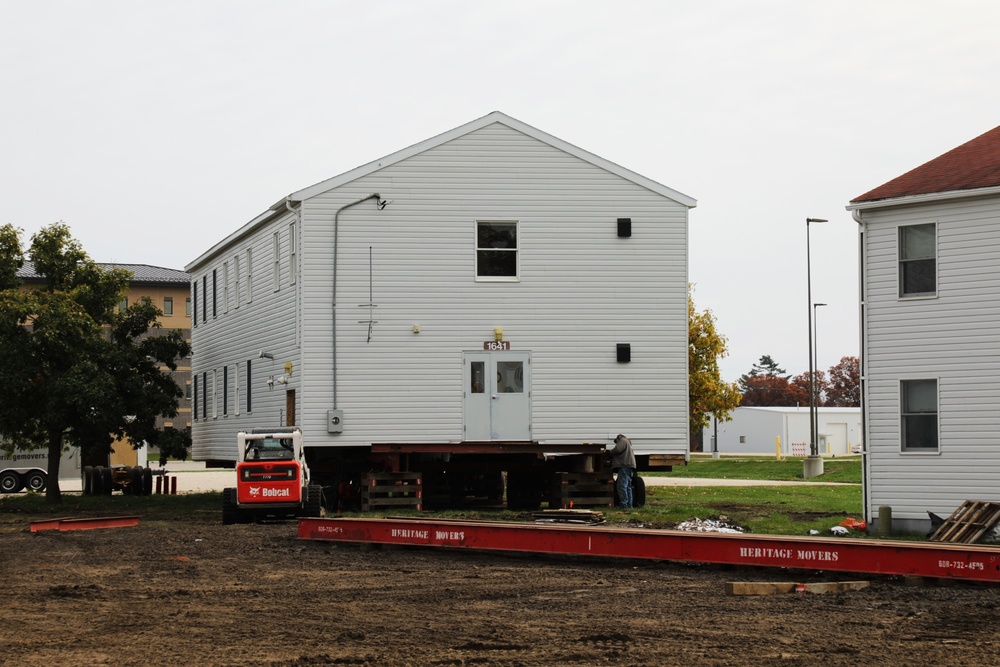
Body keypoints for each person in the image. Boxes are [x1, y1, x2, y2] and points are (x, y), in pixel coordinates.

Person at [609, 434, 636, 509]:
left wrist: (609, 452)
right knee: (628, 487)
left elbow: (618, 449)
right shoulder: (627, 442)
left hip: (624, 465)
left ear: (618, 439)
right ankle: (629, 505)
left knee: (621, 486)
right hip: (629, 466)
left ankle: (624, 505)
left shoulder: (622, 440)